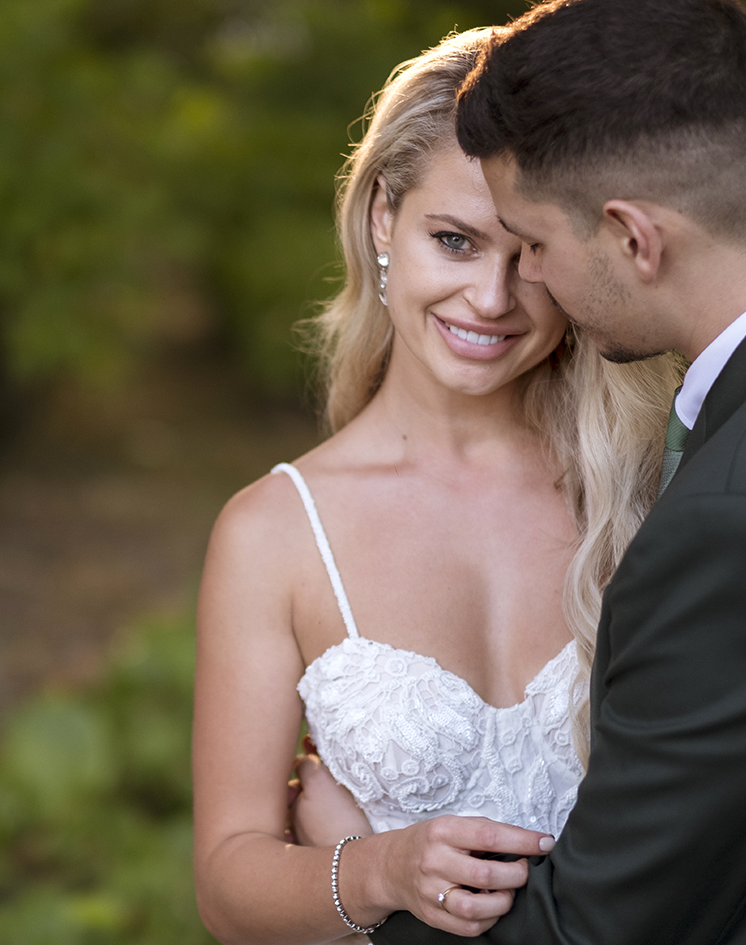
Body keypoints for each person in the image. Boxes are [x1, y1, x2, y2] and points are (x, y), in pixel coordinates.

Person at [350, 1, 746, 942]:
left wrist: (361, 887)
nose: (522, 279)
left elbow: (599, 931)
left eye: (532, 244)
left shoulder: (737, 524)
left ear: (633, 238)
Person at [191, 28, 678, 943]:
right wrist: (378, 867)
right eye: (453, 241)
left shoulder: (643, 485)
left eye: (527, 254)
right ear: (383, 218)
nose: (490, 300)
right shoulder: (275, 535)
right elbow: (227, 881)